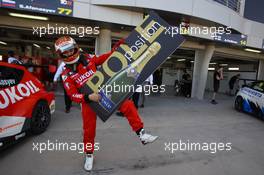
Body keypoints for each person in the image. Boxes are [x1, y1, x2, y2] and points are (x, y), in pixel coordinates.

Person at [54, 36, 158, 171]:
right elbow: (72, 95)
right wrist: (88, 97)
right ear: (60, 54)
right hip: (88, 100)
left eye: (70, 49)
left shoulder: (89, 58)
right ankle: (89, 155)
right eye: (65, 52)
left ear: (75, 47)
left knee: (128, 105)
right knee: (89, 130)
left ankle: (142, 134)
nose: (68, 53)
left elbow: (108, 58)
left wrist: (119, 47)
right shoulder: (65, 73)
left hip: (105, 91)